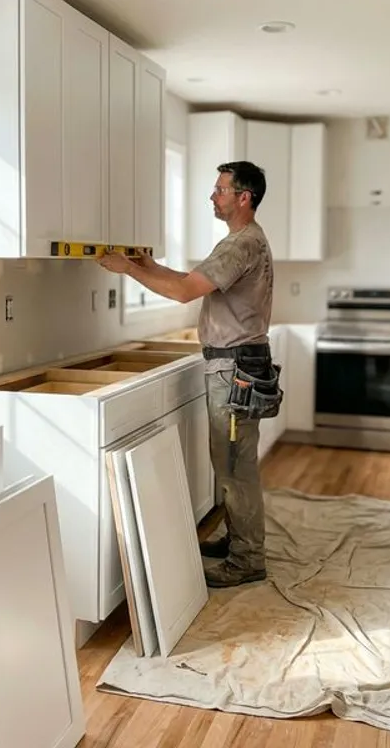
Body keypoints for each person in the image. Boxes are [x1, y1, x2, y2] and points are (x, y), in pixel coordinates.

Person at [97, 160, 274, 588]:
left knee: (235, 467)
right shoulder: (239, 241)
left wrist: (130, 269)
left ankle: (248, 559)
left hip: (235, 369)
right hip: (235, 365)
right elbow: (189, 280)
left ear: (243, 197)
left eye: (220, 190)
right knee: (230, 463)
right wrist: (147, 264)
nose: (213, 196)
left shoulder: (240, 244)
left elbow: (180, 293)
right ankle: (239, 543)